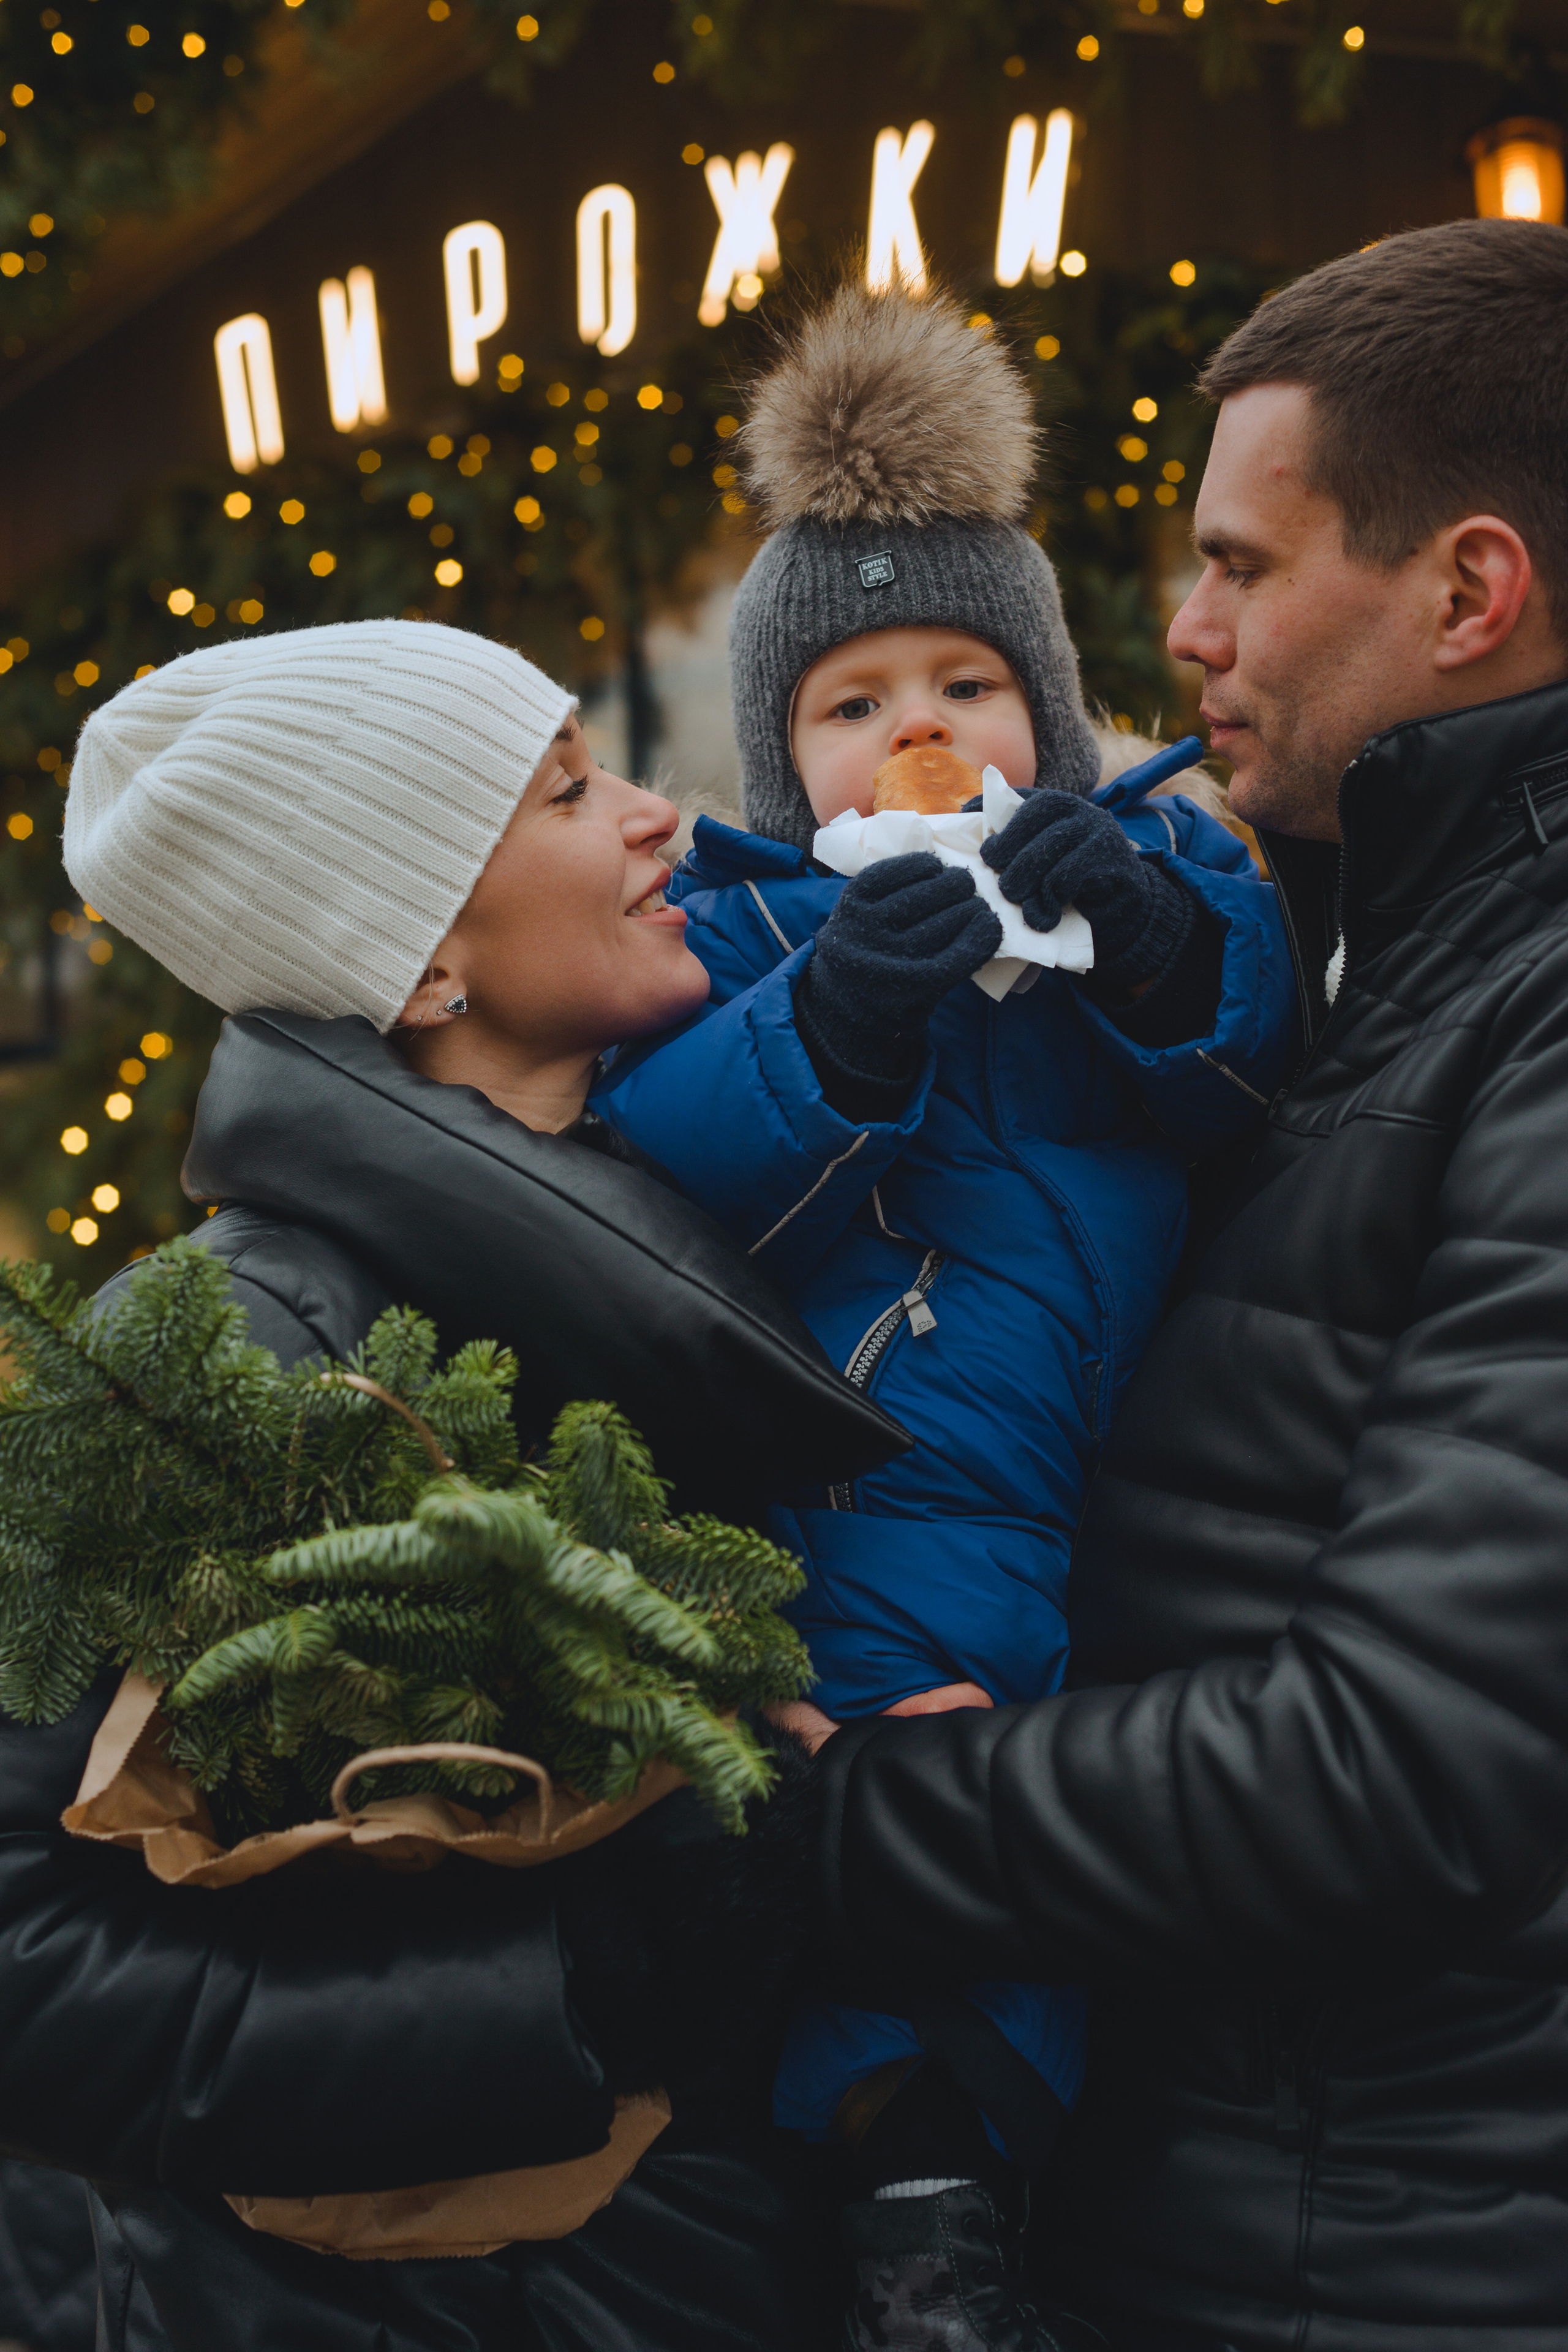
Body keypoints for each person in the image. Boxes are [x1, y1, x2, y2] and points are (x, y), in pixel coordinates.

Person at [782, 217, 1568, 2352]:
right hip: (1250, 2194)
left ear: (1470, 591)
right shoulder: (1388, 952)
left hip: (1385, 2264)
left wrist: (842, 1823)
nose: (1185, 627)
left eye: (1241, 563)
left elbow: (1407, 1764)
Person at [0, 618, 905, 2352]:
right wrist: (587, 1987)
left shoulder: (690, 1233)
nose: (662, 818)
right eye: (570, 791)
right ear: (422, 967)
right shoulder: (228, 1349)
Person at [594, 284, 1295, 2351]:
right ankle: (921, 2200)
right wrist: (835, 1011)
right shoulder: (744, 930)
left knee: (1023, 1820)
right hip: (860, 1487)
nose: (921, 727)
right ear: (782, 757)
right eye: (851, 698)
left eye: (974, 680)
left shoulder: (1148, 877)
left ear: (1051, 717)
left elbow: (1249, 1071)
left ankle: (978, 2174)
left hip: (1064, 1491)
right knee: (903, 1791)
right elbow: (671, 1162)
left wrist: (1161, 942)